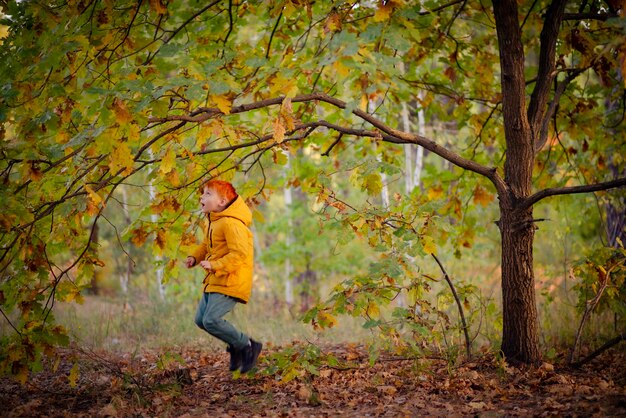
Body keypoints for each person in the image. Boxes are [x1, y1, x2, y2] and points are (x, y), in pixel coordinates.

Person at [184, 179, 262, 373]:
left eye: (207, 194)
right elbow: (207, 245)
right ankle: (236, 346)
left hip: (230, 280)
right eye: (202, 193)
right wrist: (195, 257)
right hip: (215, 279)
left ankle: (248, 346)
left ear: (222, 201)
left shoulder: (231, 223)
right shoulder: (214, 221)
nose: (202, 197)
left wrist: (215, 264)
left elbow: (240, 254)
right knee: (201, 320)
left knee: (211, 320)